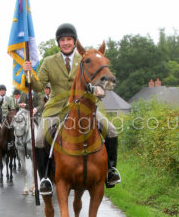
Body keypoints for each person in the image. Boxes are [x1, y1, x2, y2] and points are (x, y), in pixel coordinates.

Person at [23, 23, 121, 195]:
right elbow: (38, 87)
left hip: (85, 106)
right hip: (55, 107)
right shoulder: (48, 62)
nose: (66, 42)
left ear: (74, 42)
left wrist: (97, 89)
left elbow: (97, 80)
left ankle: (111, 171)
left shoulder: (86, 59)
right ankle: (44, 179)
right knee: (39, 139)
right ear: (58, 42)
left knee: (111, 130)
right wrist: (28, 73)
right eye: (62, 40)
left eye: (69, 39)